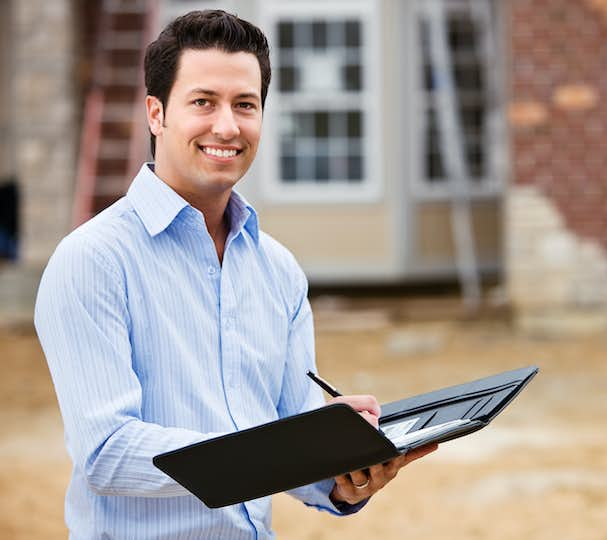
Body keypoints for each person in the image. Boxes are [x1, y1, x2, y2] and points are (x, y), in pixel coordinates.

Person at [34, 10, 436, 539]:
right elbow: (107, 454)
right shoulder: (92, 260)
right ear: (156, 114)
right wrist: (277, 447)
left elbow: (291, 437)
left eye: (245, 105)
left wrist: (341, 470)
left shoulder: (279, 270)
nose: (227, 126)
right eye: (203, 102)